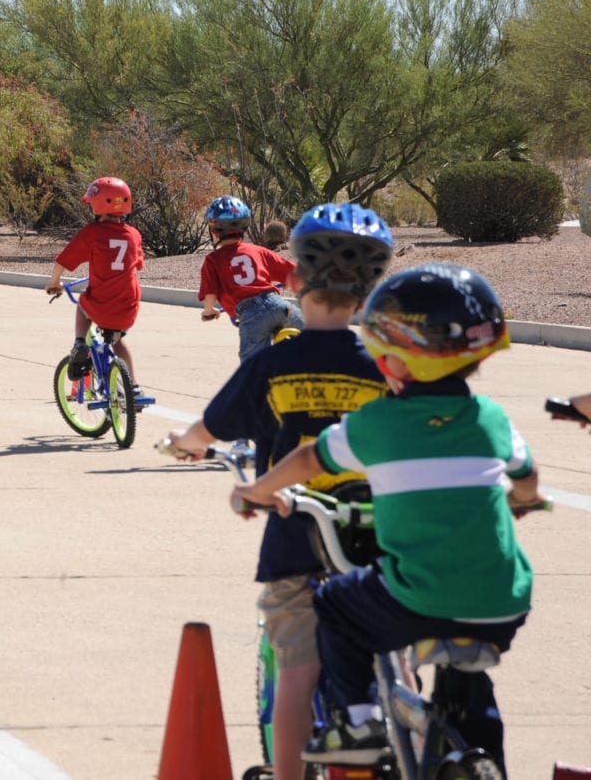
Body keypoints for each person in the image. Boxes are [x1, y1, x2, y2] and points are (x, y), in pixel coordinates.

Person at [234, 263, 541, 773]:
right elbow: (527, 480)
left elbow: (310, 460)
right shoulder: (491, 417)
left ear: (392, 357)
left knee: (333, 605)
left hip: (418, 591)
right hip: (504, 601)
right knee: (468, 681)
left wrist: (256, 490)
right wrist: (519, 501)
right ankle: (483, 763)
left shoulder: (379, 422)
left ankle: (359, 719)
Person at [167, 202, 394, 779]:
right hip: (379, 533)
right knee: (392, 649)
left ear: (294, 280)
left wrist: (185, 443)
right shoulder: (388, 366)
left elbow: (208, 430)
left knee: (296, 665)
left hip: (298, 533)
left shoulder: (272, 367)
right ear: (371, 293)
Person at [44, 176, 146, 393]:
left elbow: (62, 261)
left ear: (98, 206)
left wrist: (54, 283)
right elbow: (137, 265)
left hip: (101, 305)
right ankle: (134, 386)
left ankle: (79, 343)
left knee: (83, 303)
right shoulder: (134, 235)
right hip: (128, 308)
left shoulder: (92, 233)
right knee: (118, 342)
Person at [198, 195, 303, 364]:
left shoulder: (213, 260)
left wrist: (209, 311)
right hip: (279, 306)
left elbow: (210, 293)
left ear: (214, 231)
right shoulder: (258, 251)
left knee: (251, 368)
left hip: (251, 315)